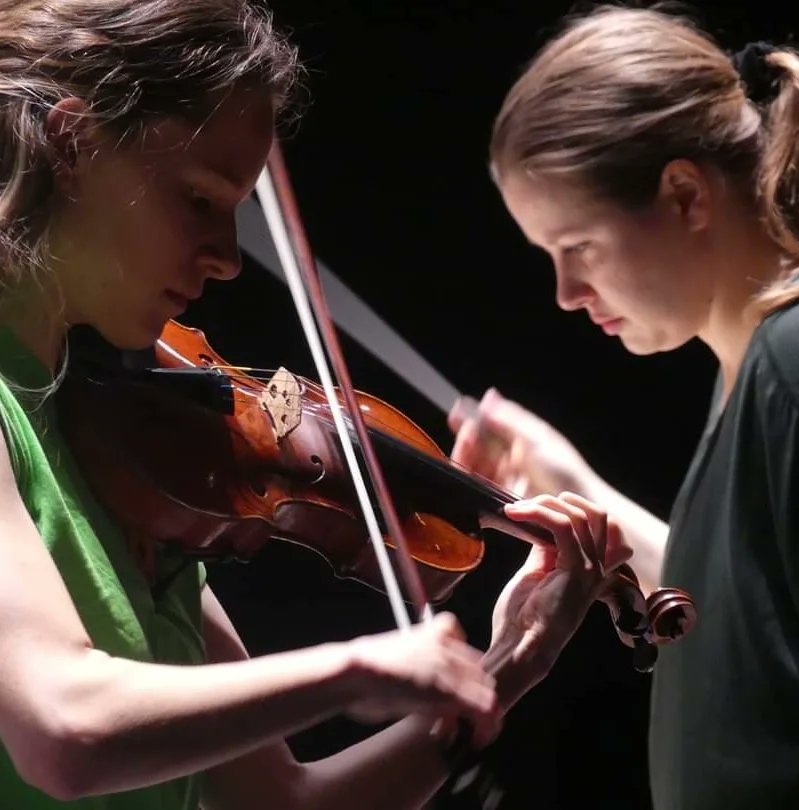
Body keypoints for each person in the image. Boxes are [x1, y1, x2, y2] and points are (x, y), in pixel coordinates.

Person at [0, 2, 633, 808]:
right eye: (201, 200)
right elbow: (65, 733)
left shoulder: (120, 447)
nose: (229, 258)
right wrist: (353, 669)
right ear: (72, 142)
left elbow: (284, 803)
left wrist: (512, 666)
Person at [450, 5, 799, 810]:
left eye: (578, 248)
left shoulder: (795, 364)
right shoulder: (750, 375)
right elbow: (747, 624)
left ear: (684, 195)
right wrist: (578, 484)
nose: (567, 294)